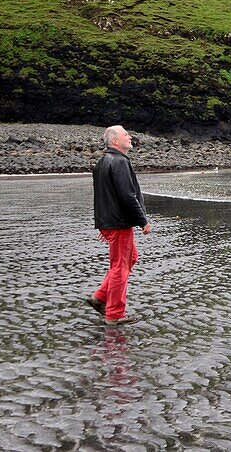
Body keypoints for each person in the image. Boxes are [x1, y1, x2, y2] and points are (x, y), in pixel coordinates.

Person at [88, 125, 150, 326]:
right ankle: (115, 314)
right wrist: (143, 220)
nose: (130, 136)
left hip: (111, 222)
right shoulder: (119, 162)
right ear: (115, 141)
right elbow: (127, 195)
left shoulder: (102, 162)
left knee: (130, 258)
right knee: (120, 267)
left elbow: (103, 196)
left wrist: (104, 223)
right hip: (119, 223)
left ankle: (99, 297)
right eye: (125, 134)